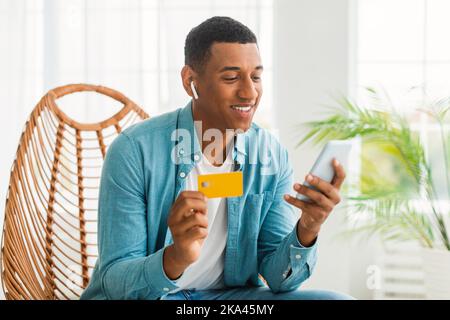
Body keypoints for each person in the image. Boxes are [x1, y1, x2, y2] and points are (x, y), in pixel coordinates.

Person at [81, 16, 353, 300]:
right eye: (231, 78)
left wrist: (308, 228)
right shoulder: (134, 151)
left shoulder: (270, 156)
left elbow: (278, 280)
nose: (249, 92)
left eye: (256, 76)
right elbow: (115, 282)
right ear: (190, 81)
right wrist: (175, 257)